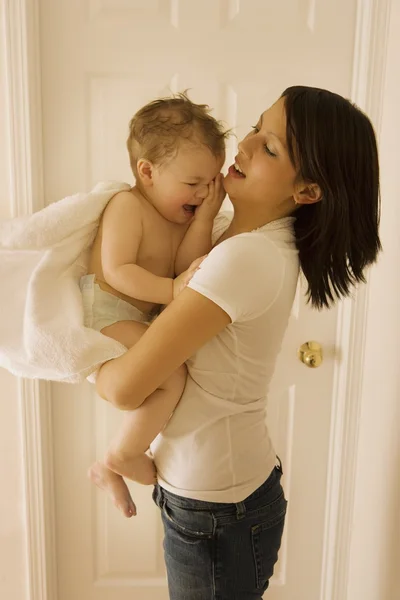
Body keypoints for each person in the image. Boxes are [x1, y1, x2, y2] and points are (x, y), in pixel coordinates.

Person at [94, 85, 382, 599]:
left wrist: (84, 351)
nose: (244, 147)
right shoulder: (237, 238)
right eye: (256, 128)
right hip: (218, 494)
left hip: (216, 508)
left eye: (270, 149)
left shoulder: (245, 258)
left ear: (308, 192)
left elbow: (124, 389)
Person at [85, 93, 227, 517]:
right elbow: (117, 270)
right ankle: (122, 455)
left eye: (211, 183)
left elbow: (185, 267)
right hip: (109, 314)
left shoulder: (175, 218)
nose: (204, 193)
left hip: (138, 315)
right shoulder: (127, 206)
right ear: (147, 172)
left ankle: (109, 462)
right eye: (192, 184)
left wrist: (202, 221)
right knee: (170, 375)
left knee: (171, 378)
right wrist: (171, 291)